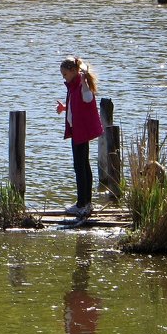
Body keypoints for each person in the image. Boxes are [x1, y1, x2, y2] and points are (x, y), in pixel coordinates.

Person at [56, 56, 104, 217]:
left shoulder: (82, 86)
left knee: (80, 166)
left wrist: (84, 83)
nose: (64, 78)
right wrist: (64, 108)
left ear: (73, 71)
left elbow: (88, 98)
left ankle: (82, 203)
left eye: (65, 74)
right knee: (83, 165)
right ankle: (86, 202)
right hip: (78, 130)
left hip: (81, 131)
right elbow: (76, 104)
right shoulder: (73, 86)